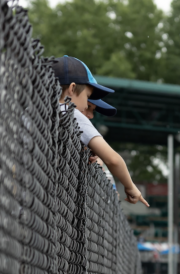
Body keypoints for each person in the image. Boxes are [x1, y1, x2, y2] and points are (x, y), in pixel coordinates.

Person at [51, 55, 149, 207]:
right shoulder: (71, 113)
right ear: (71, 89)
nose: (85, 107)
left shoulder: (36, 110)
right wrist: (131, 187)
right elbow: (113, 160)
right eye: (87, 97)